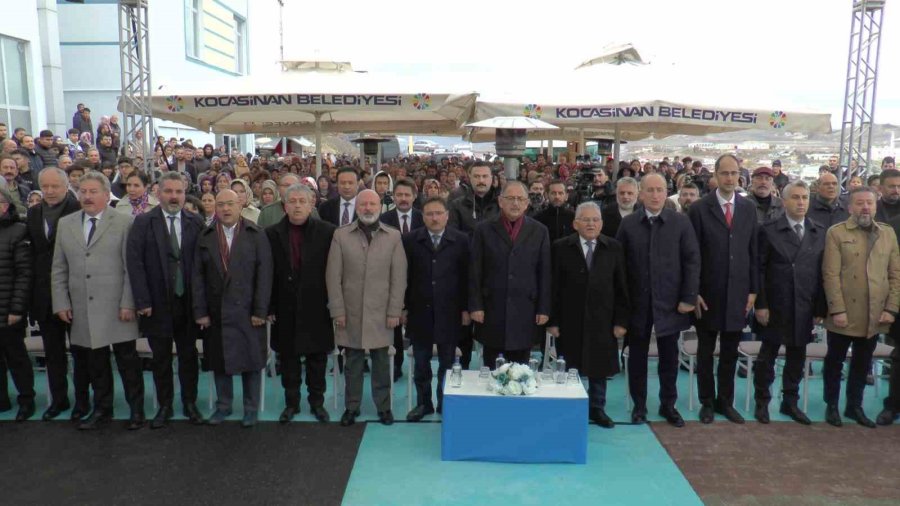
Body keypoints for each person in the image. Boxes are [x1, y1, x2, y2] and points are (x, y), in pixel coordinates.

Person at [51, 172, 145, 430]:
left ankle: (136, 410)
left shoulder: (125, 222)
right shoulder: (66, 223)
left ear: (106, 195)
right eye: (82, 191)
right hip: (83, 307)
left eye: (93, 191)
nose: (87, 196)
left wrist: (129, 302)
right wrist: (61, 302)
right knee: (96, 364)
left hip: (118, 307)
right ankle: (102, 409)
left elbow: (131, 268)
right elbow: (59, 268)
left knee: (128, 362)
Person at [616, 173, 700, 427]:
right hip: (638, 303)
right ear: (641, 194)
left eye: (659, 190)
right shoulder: (628, 225)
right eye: (649, 190)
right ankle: (639, 406)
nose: (654, 195)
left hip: (671, 302)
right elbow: (618, 267)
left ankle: (668, 405)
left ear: (667, 193)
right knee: (638, 357)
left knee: (669, 357)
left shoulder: (681, 223)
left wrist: (688, 297)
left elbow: (692, 261)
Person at [127, 172, 205, 428]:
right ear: (158, 193)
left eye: (179, 192)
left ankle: (190, 403)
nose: (174, 196)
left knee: (188, 356)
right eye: (169, 191)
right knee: (160, 358)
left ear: (185, 193)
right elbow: (135, 264)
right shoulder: (143, 223)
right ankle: (165, 405)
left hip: (187, 302)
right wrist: (142, 300)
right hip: (157, 304)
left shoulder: (196, 222)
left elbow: (202, 266)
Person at [326, 189, 407, 427]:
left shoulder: (393, 237)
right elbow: (333, 277)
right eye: (363, 205)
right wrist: (337, 311)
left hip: (382, 314)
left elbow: (399, 278)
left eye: (373, 204)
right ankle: (352, 407)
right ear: (356, 208)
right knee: (352, 363)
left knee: (382, 363)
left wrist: (395, 311)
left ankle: (384, 407)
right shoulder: (340, 236)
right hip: (350, 313)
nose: (368, 208)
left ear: (380, 206)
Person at [821, 186, 900, 428]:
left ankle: (854, 406)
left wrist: (891, 308)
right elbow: (830, 274)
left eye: (869, 203)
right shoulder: (836, 233)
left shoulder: (887, 234)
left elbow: (895, 274)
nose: (865, 207)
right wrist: (837, 310)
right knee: (834, 363)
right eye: (860, 203)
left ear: (876, 207)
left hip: (874, 314)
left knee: (862, 363)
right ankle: (831, 405)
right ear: (850, 207)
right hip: (844, 313)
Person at [193, 189, 272, 427]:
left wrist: (260, 311)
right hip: (216, 311)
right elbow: (197, 277)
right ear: (214, 208)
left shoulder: (256, 234)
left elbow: (265, 275)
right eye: (221, 205)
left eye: (230, 204)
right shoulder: (205, 236)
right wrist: (201, 312)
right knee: (220, 361)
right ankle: (223, 406)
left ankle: (250, 408)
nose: (226, 209)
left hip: (248, 311)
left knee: (251, 361)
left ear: (240, 206)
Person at [688, 154, 758, 424]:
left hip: (738, 293)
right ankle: (707, 401)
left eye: (734, 173)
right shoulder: (698, 209)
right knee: (706, 352)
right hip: (707, 294)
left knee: (730, 351)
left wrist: (753, 290)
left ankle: (725, 402)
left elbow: (753, 251)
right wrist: (692, 291)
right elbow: (691, 254)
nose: (730, 178)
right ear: (715, 176)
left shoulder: (748, 208)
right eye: (725, 173)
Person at [549, 201, 628, 428]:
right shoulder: (561, 247)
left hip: (604, 319)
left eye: (595, 220)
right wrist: (552, 320)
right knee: (569, 364)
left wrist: (621, 321)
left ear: (602, 223)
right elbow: (553, 286)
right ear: (575, 224)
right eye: (586, 219)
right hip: (569, 319)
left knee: (599, 368)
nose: (591, 223)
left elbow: (622, 286)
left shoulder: (613, 247)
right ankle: (569, 406)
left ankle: (597, 408)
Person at [753, 180, 826, 425]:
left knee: (797, 356)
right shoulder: (769, 230)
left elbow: (821, 272)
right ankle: (762, 401)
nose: (801, 202)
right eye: (795, 197)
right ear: (784, 201)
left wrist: (819, 308)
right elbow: (759, 270)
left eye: (805, 197)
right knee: (767, 356)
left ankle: (790, 402)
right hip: (775, 304)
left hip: (804, 305)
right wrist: (760, 304)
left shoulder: (818, 232)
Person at [266, 184, 335, 424]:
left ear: (312, 203)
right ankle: (291, 404)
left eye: (301, 201)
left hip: (317, 306)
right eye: (292, 201)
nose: (297, 205)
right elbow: (268, 273)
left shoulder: (328, 232)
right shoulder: (272, 234)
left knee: (317, 360)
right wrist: (270, 306)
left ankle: (317, 403)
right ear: (284, 205)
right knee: (289, 359)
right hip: (284, 307)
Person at [469, 181, 551, 367]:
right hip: (491, 309)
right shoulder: (483, 229)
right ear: (500, 201)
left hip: (526, 309)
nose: (515, 203)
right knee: (492, 368)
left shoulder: (539, 231)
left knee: (521, 370)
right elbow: (475, 271)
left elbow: (544, 272)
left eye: (520, 199)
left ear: (527, 202)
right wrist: (475, 306)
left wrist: (543, 308)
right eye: (510, 198)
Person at [403, 196, 470, 421]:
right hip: (419, 311)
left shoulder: (461, 241)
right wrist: (403, 307)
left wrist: (466, 309)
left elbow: (467, 278)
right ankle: (424, 404)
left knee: (447, 363)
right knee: (421, 364)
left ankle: (444, 402)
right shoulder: (410, 240)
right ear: (423, 217)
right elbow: (405, 277)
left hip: (450, 312)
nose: (434, 218)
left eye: (438, 213)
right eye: (429, 214)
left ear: (447, 216)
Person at [26, 167, 84, 420]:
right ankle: (58, 400)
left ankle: (83, 400)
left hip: (76, 292)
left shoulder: (80, 210)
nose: (49, 191)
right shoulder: (33, 213)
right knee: (53, 352)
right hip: (43, 294)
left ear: (66, 186)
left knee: (82, 352)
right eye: (45, 187)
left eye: (54, 186)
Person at [449, 161, 499, 369]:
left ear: (492, 179)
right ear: (469, 178)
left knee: (491, 335)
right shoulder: (457, 205)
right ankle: (461, 374)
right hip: (463, 275)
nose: (481, 180)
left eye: (485, 176)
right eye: (476, 176)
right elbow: (452, 238)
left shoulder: (501, 204)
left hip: (493, 277)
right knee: (462, 333)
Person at [379, 178, 424, 380]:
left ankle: (419, 366)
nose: (403, 199)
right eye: (399, 195)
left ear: (414, 196)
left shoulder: (424, 218)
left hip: (418, 279)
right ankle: (395, 366)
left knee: (417, 324)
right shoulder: (383, 220)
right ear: (393, 196)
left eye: (407, 195)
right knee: (394, 325)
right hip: (390, 279)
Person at [0, 186, 34, 421]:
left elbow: (24, 273)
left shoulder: (19, 231)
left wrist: (16, 308)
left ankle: (26, 399)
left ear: (6, 205)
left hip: (9, 308)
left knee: (17, 358)